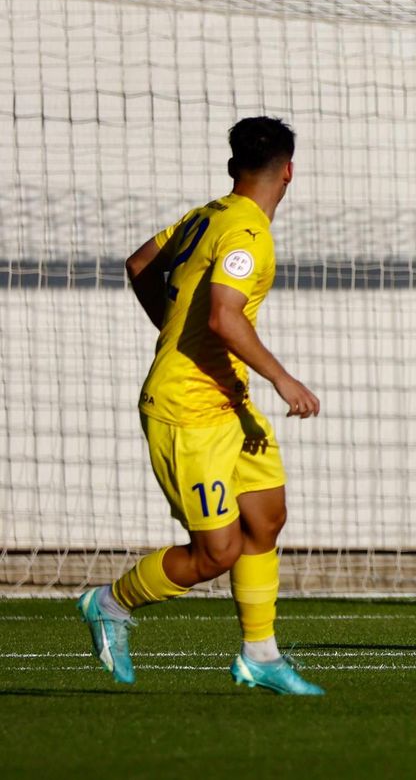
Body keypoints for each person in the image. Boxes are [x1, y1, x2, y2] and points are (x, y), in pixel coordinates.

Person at [76, 116, 326, 692]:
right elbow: (223, 316)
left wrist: (170, 328)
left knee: (265, 519)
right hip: (185, 411)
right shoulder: (247, 234)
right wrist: (285, 380)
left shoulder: (207, 215)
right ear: (289, 170)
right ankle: (110, 603)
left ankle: (259, 656)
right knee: (216, 553)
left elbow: (140, 264)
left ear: (233, 166)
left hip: (227, 403)